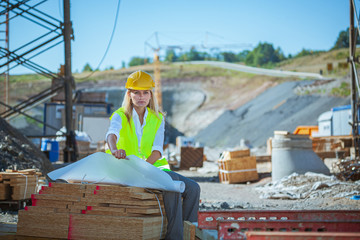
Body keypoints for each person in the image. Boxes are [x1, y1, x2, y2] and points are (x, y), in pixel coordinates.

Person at [105, 70, 200, 240]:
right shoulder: (120, 116)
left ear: (150, 95)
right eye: (136, 92)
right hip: (126, 169)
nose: (141, 96)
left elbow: (157, 150)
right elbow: (112, 134)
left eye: (145, 92)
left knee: (193, 188)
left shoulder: (157, 119)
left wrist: (146, 167)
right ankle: (175, 237)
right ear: (129, 94)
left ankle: (190, 233)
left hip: (148, 168)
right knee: (172, 187)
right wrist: (114, 150)